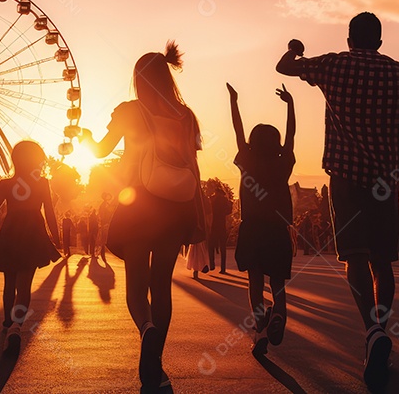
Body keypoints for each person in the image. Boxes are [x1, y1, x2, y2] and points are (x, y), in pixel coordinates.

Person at [276, 12, 399, 393]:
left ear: (349, 39)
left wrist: (295, 48)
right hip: (385, 179)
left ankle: (371, 332)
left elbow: (284, 67)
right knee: (383, 261)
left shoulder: (333, 65)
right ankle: (381, 328)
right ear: (380, 42)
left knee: (356, 257)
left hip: (346, 180)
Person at [80, 41, 203, 392]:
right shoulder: (185, 114)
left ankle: (145, 330)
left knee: (136, 284)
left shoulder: (129, 110)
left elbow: (101, 150)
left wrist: (86, 137)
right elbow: (190, 162)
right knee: (161, 285)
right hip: (175, 207)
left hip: (138, 204)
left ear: (138, 79)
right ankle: (157, 360)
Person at [228, 82, 296, 356]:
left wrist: (234, 101)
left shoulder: (247, 158)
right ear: (278, 143)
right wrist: (291, 105)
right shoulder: (284, 160)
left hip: (253, 228)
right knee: (277, 282)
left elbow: (237, 129)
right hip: (279, 228)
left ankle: (259, 323)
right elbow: (291, 135)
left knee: (255, 281)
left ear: (252, 143)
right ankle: (278, 313)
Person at [0, 141, 61, 356]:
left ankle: (7, 321)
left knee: (9, 282)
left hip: (11, 232)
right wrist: (56, 236)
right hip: (33, 232)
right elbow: (50, 212)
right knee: (25, 284)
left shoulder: (5, 184)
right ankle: (17, 326)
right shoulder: (42, 183)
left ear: (15, 159)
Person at [208, 184, 232, 274]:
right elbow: (228, 212)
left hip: (214, 225)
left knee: (211, 246)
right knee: (223, 248)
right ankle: (223, 268)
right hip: (222, 225)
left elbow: (209, 210)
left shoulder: (212, 199)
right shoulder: (225, 200)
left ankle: (212, 264)